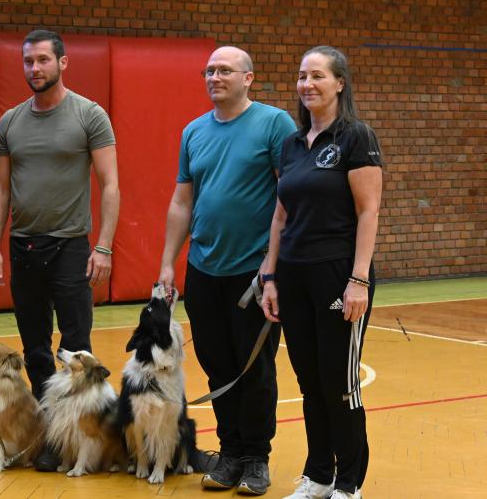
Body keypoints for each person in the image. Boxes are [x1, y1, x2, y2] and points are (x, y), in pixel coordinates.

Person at [158, 46, 296, 495]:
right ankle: (230, 451)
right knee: (217, 366)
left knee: (253, 369)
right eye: (209, 70)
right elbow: (182, 201)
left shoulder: (274, 124)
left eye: (224, 70)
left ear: (248, 78)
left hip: (253, 274)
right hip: (203, 270)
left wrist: (271, 265)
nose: (214, 77)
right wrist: (167, 264)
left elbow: (287, 197)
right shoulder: (194, 131)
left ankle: (256, 457)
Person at [0, 29, 120, 469]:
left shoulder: (89, 115)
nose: (34, 69)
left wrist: (102, 246)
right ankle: (49, 434)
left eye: (43, 60)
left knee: (77, 346)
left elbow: (111, 185)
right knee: (36, 349)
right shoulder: (10, 121)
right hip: (23, 248)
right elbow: (1, 188)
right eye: (28, 61)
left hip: (71, 247)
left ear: (62, 63)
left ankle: (80, 439)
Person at [260, 46, 382, 499]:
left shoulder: (355, 137)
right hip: (293, 275)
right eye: (301, 76)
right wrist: (270, 277)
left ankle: (349, 484)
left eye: (317, 76)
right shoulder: (292, 144)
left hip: (338, 274)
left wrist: (359, 279)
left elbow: (368, 212)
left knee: (340, 385)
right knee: (310, 383)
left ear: (339, 83)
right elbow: (279, 217)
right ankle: (319, 475)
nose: (306, 84)